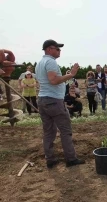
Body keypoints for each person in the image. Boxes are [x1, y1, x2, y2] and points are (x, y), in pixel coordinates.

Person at [35, 39, 85, 168]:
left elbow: (49, 80)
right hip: (53, 101)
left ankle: (50, 159)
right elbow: (53, 80)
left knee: (48, 132)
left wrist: (65, 76)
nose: (59, 51)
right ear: (49, 49)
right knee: (65, 130)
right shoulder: (51, 62)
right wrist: (71, 75)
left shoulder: (40, 63)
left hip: (43, 100)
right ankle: (71, 159)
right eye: (57, 48)